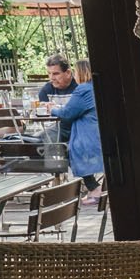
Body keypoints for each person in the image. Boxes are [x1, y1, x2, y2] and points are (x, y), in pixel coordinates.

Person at [52, 57, 102, 194]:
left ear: (81, 72)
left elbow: (67, 113)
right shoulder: (95, 87)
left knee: (66, 149)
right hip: (97, 132)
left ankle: (94, 189)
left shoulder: (83, 89)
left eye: (75, 72)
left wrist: (51, 109)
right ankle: (96, 188)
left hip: (87, 135)